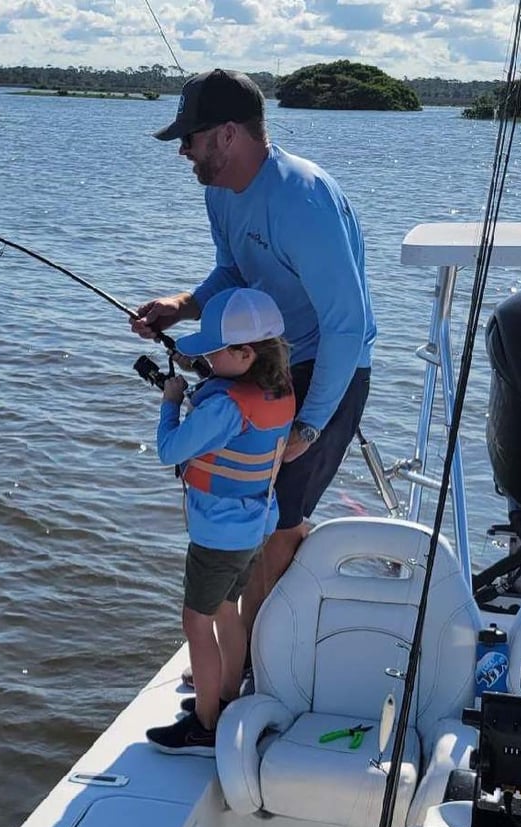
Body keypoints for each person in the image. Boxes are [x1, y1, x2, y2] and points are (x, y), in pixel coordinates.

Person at [132, 67, 376, 647]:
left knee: (280, 517)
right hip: (264, 359)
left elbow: (348, 324)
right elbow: (234, 274)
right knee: (239, 497)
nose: (184, 152)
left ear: (228, 135)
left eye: (190, 139)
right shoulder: (220, 192)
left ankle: (256, 664)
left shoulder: (303, 199)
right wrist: (182, 305)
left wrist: (311, 424)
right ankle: (257, 635)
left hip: (328, 366)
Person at [145, 286, 294, 755]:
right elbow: (228, 385)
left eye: (213, 348)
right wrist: (203, 373)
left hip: (218, 535)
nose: (204, 354)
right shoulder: (278, 389)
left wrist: (171, 400)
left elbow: (170, 449)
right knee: (227, 611)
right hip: (255, 527)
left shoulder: (225, 407)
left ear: (246, 352)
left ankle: (205, 725)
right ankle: (228, 695)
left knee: (196, 621)